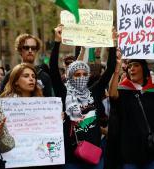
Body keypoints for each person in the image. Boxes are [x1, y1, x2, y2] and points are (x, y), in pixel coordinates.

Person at [49, 24, 116, 169]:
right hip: (71, 157)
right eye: (77, 74)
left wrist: (112, 43)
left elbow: (110, 69)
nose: (81, 77)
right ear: (70, 77)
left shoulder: (95, 91)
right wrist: (57, 42)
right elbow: (53, 69)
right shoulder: (63, 92)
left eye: (84, 74)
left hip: (93, 155)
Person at [107, 52, 154, 169]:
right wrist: (117, 68)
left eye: (135, 65)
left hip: (152, 151)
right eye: (129, 67)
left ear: (144, 69)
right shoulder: (123, 91)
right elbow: (112, 94)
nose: (132, 69)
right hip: (129, 152)